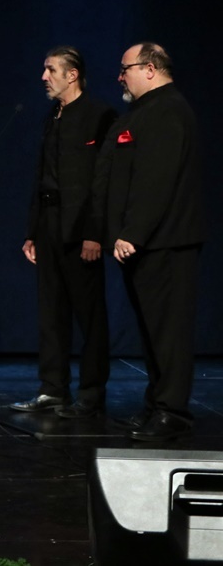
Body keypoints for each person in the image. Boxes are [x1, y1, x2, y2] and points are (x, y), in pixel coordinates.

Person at [96, 42, 205, 442]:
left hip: (166, 242)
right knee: (153, 330)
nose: (120, 77)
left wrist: (133, 233)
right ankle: (157, 403)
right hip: (149, 244)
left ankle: (173, 411)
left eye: (125, 69)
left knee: (169, 332)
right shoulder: (146, 111)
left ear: (150, 68)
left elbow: (156, 180)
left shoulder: (167, 110)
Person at [10, 47, 116, 418]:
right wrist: (32, 231)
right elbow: (42, 177)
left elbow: (103, 180)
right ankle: (53, 389)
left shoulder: (99, 114)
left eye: (51, 69)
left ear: (72, 75)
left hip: (81, 227)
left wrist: (94, 233)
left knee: (89, 315)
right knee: (51, 313)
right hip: (49, 225)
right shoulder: (52, 115)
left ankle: (91, 393)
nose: (44, 77)